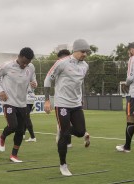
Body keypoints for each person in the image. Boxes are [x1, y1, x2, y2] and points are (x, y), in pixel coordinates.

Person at [44, 39, 91, 176]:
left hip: (76, 104)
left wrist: (81, 98)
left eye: (86, 52)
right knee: (65, 134)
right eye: (83, 52)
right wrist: (47, 100)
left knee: (81, 131)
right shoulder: (62, 63)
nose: (85, 54)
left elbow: (78, 83)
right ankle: (63, 165)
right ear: (75, 50)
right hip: (62, 104)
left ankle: (63, 129)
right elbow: (48, 79)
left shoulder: (85, 66)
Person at [0, 47, 37, 162]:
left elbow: (33, 78)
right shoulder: (7, 66)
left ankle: (14, 155)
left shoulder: (31, 67)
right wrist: (0, 91)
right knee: (12, 126)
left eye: (27, 63)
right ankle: (2, 136)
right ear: (19, 57)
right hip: (9, 101)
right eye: (23, 62)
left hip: (22, 103)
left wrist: (34, 83)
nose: (25, 65)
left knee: (20, 130)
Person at [56, 49, 72, 148]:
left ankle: (63, 142)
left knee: (62, 124)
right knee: (67, 123)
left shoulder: (60, 66)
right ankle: (68, 143)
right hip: (71, 101)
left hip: (62, 101)